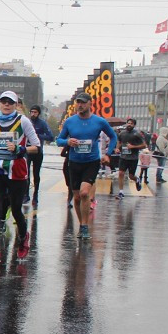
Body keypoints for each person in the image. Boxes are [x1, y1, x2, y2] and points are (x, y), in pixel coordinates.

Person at [0, 91, 40, 263]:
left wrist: (20, 149)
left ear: (16, 105)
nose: (6, 105)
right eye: (3, 102)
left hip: (17, 170)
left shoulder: (23, 122)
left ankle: (23, 237)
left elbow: (36, 146)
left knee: (15, 210)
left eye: (10, 102)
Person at [55, 93, 117, 239]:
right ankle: (82, 223)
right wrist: (67, 142)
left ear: (90, 104)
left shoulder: (99, 121)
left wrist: (108, 153)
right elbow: (59, 140)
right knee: (76, 197)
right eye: (78, 103)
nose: (80, 105)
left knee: (84, 193)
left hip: (92, 161)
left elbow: (113, 136)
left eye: (83, 103)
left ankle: (84, 226)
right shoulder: (70, 122)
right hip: (74, 162)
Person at [26, 105, 54, 206]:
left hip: (38, 151)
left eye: (35, 112)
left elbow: (51, 137)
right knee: (26, 173)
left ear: (38, 113)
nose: (33, 114)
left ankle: (35, 195)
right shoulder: (27, 122)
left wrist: (38, 136)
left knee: (36, 174)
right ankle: (26, 195)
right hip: (28, 150)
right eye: (31, 112)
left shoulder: (42, 124)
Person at [114, 118, 147, 199]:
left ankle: (137, 180)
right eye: (128, 123)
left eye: (131, 123)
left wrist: (133, 146)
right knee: (121, 173)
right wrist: (117, 148)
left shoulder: (137, 134)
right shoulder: (122, 133)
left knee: (131, 176)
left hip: (133, 158)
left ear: (134, 125)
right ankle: (121, 192)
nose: (129, 125)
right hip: (123, 157)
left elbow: (144, 145)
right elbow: (119, 142)